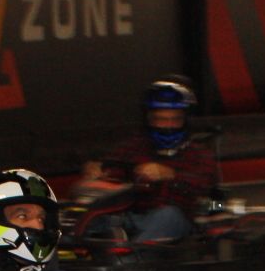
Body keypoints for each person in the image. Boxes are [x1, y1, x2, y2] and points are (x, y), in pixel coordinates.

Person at [82, 76, 216, 243]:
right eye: (161, 119)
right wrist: (98, 171)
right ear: (149, 119)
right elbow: (111, 172)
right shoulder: (133, 147)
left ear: (185, 120)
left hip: (177, 222)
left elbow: (205, 185)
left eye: (175, 119)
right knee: (91, 215)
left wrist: (170, 174)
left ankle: (131, 255)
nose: (168, 126)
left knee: (168, 214)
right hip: (129, 217)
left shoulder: (198, 154)